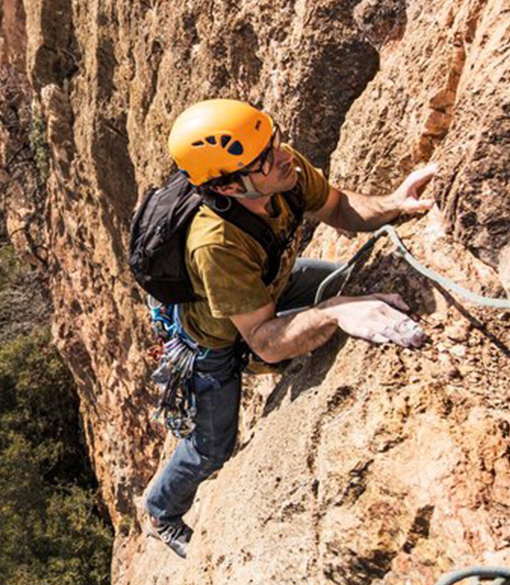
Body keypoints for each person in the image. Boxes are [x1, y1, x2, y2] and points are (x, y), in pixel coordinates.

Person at [143, 99, 436, 558]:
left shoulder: (280, 167)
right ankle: (161, 510)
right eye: (264, 157)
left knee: (344, 280)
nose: (283, 154)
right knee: (212, 447)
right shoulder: (216, 244)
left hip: (270, 281)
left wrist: (393, 205)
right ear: (227, 184)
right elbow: (264, 340)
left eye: (274, 138)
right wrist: (335, 312)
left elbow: (339, 207)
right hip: (216, 338)